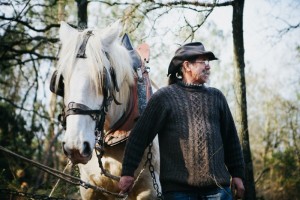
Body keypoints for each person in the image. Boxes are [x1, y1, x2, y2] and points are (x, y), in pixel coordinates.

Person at [118, 42, 245, 200]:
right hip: (178, 193)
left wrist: (238, 175)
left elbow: (231, 140)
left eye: (208, 62)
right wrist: (128, 173)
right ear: (187, 66)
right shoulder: (164, 98)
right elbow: (139, 136)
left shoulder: (217, 97)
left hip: (218, 192)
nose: (208, 66)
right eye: (202, 62)